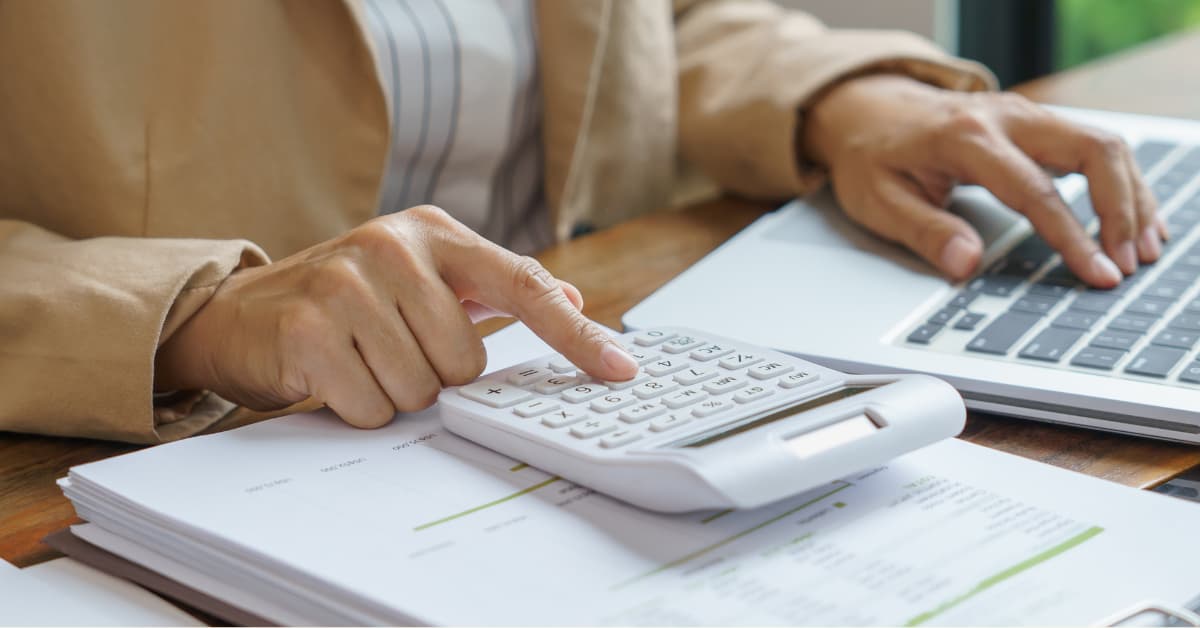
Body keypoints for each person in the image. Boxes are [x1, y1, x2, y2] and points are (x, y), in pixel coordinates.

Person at [0, 1, 1162, 443]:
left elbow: (656, 23)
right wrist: (197, 314)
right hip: (208, 446)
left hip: (593, 378)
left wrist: (840, 100)